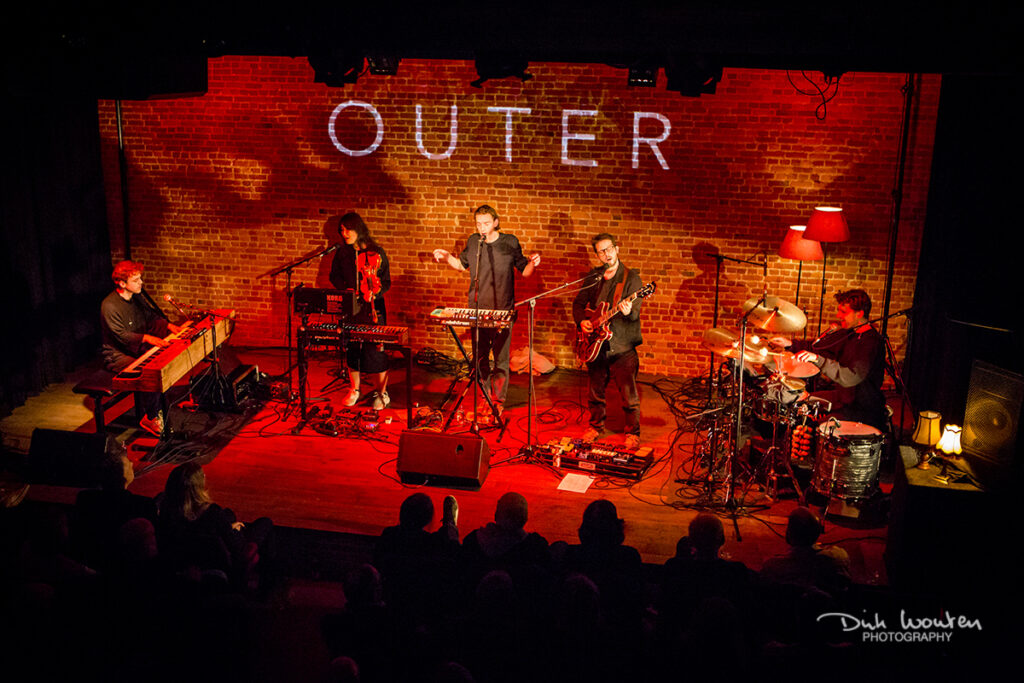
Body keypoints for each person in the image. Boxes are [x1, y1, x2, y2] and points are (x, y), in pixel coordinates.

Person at [432, 204, 540, 416]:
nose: (482, 228)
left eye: (486, 223)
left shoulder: (509, 242)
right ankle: (485, 397)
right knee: (480, 359)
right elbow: (461, 265)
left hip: (502, 310)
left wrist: (533, 264)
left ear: (496, 222)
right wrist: (446, 257)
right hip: (477, 309)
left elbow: (525, 271)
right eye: (479, 224)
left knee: (500, 360)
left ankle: (498, 401)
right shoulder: (474, 241)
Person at [775, 289, 887, 430]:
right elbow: (819, 347)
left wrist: (818, 359)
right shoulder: (849, 333)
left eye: (844, 312)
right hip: (844, 397)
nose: (838, 315)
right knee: (802, 401)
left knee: (814, 427)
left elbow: (850, 377)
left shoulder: (871, 342)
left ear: (859, 314)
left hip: (861, 408)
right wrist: (790, 344)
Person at [572, 233, 644, 448]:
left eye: (609, 249)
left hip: (622, 345)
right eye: (601, 251)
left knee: (629, 394)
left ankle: (633, 433)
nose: (606, 254)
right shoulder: (593, 277)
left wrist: (628, 310)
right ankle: (595, 427)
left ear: (617, 248)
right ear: (597, 255)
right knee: (595, 391)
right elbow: (578, 304)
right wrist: (582, 322)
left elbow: (634, 315)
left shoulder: (631, 279)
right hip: (595, 343)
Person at [100, 260, 181, 437]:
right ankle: (150, 417)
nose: (141, 283)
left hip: (137, 348)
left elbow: (150, 317)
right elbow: (121, 336)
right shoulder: (110, 306)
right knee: (148, 372)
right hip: (117, 354)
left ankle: (159, 409)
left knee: (162, 363)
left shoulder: (136, 298)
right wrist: (147, 338)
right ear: (122, 284)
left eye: (140, 279)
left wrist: (169, 326)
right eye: (136, 280)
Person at [329, 212, 393, 410]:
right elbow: (334, 276)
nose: (345, 234)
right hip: (352, 307)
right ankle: (355, 389)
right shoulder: (342, 253)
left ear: (358, 229)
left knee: (376, 351)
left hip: (373, 307)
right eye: (342, 230)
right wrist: (346, 290)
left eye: (348, 229)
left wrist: (376, 292)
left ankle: (382, 393)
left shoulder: (376, 252)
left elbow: (386, 281)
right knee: (352, 349)